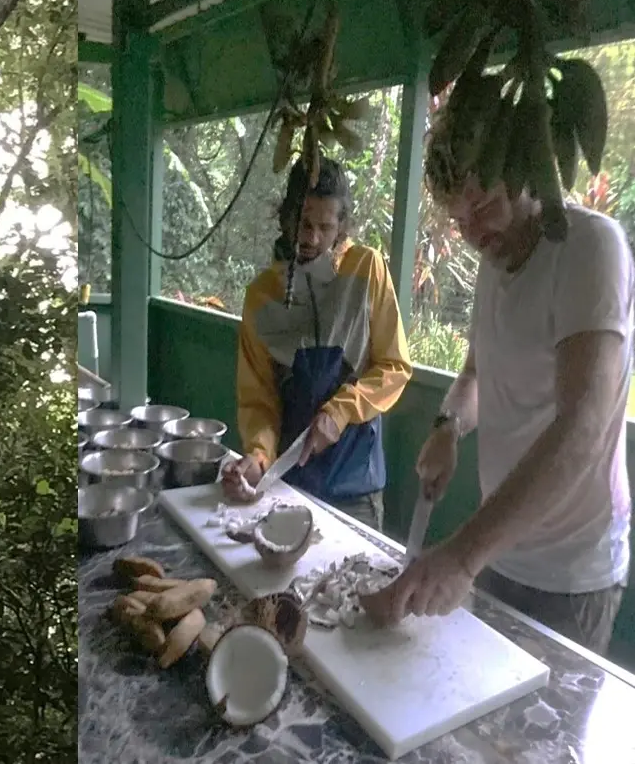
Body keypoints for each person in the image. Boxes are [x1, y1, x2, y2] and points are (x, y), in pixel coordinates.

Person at [362, 143, 632, 654]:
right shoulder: (495, 259)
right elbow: (475, 373)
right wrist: (448, 427)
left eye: (483, 207)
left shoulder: (589, 247)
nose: (472, 234)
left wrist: (462, 557)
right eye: (458, 220)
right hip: (498, 552)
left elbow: (584, 428)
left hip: (569, 573)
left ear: (526, 172)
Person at [220, 156, 413, 531]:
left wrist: (341, 411)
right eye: (303, 224)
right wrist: (259, 458)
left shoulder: (367, 268)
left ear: (342, 226)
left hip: (357, 487)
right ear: (285, 216)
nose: (310, 238)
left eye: (325, 227)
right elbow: (258, 399)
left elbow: (394, 367)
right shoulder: (261, 296)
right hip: (290, 482)